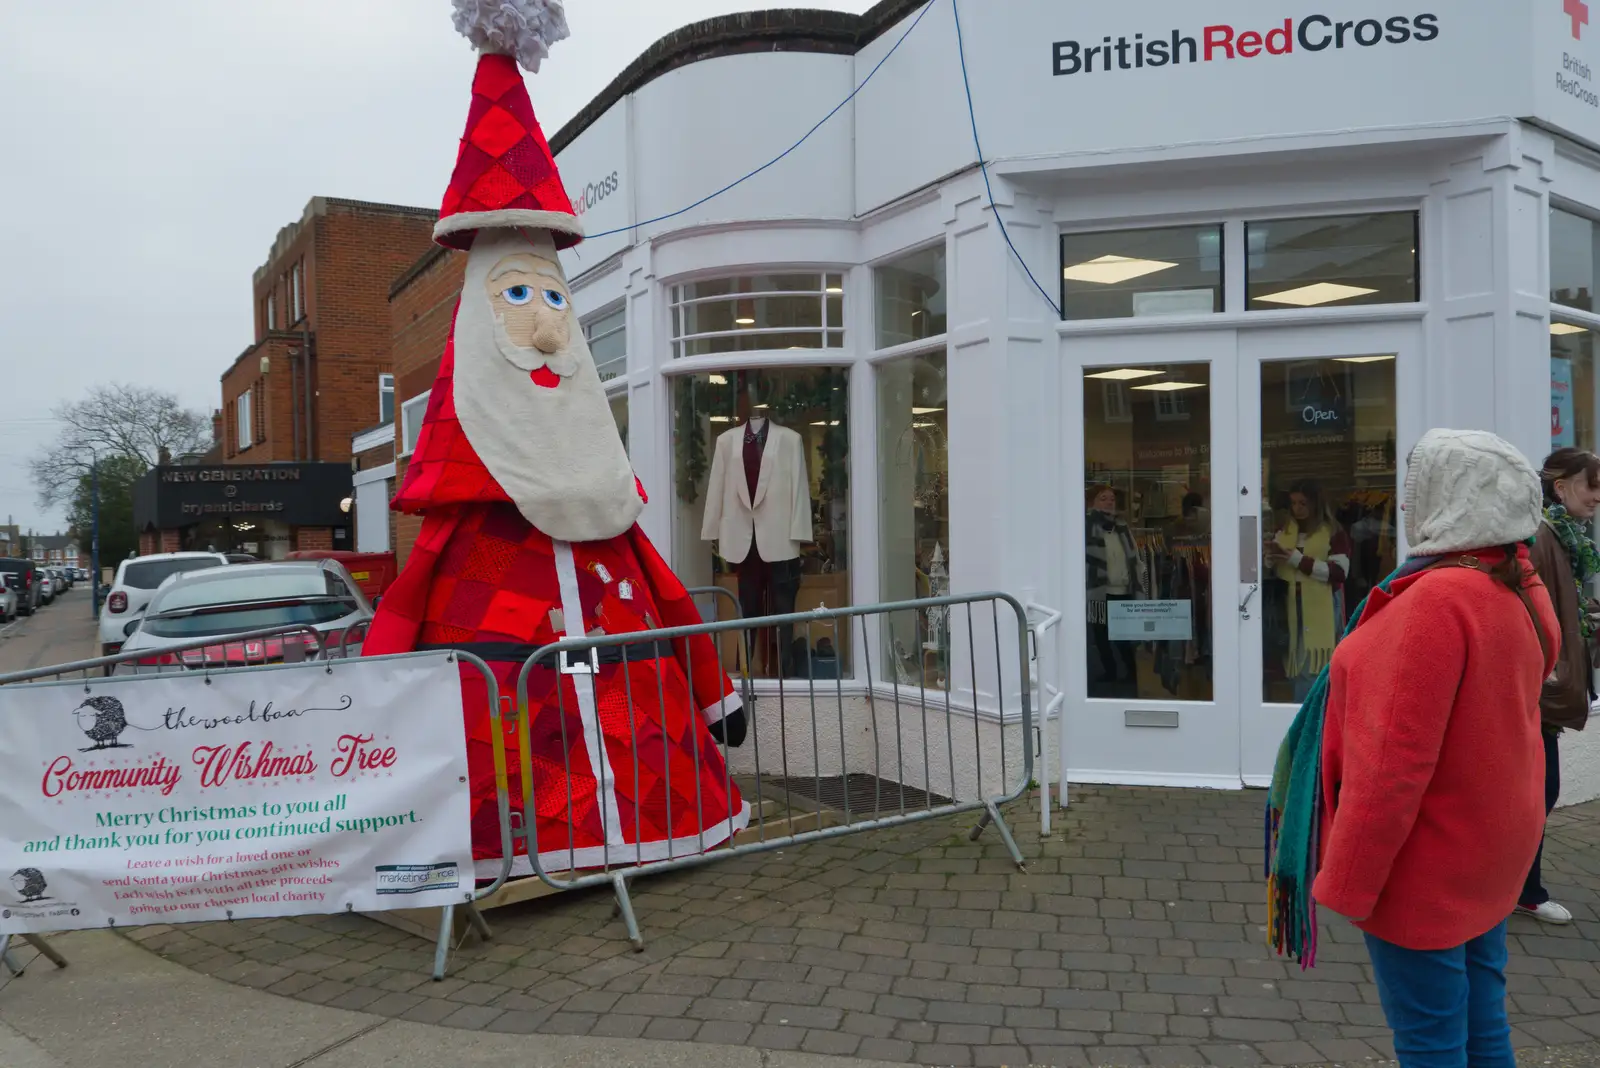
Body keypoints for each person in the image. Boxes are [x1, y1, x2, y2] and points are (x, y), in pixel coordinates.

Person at [1273, 429, 1556, 1068]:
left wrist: (1346, 882)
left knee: (1430, 1041)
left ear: (1451, 498)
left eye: (1416, 488)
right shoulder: (1514, 582)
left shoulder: (1433, 602)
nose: (1404, 506)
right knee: (1483, 1019)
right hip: (1490, 847)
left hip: (1426, 865)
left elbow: (1392, 768)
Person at [1520, 448, 1600, 925]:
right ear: (1560, 487)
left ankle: (1520, 886)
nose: (1597, 497)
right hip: (1534, 692)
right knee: (1538, 792)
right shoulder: (1542, 539)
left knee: (1537, 793)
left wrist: (1587, 620)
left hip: (1541, 689)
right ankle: (1521, 888)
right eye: (1591, 485)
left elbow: (1559, 608)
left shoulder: (1566, 539)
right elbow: (1531, 613)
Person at [1266, 480, 1352, 701]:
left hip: (1319, 608)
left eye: (1303, 503)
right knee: (1293, 669)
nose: (1297, 508)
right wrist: (1269, 559)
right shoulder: (1284, 532)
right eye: (1293, 503)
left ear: (1316, 504)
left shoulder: (1333, 533)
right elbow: (1274, 571)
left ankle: (1307, 721)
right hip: (1288, 608)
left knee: (1311, 670)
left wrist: (1295, 559)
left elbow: (1339, 573)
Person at [1085, 484, 1146, 687]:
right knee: (1101, 637)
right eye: (1103, 498)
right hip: (1099, 591)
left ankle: (1131, 675)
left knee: (1124, 637)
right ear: (1093, 502)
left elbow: (1132, 556)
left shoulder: (1121, 525)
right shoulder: (1087, 525)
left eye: (1111, 498)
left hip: (1123, 589)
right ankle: (1109, 672)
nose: (1109, 502)